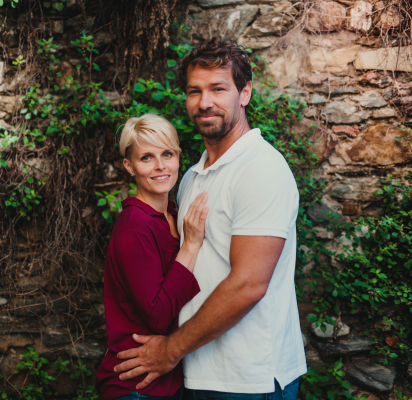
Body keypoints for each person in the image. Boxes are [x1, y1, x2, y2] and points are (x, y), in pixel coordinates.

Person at [113, 37, 307, 400]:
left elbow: (248, 284)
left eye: (218, 88)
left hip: (249, 379)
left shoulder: (261, 168)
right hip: (197, 371)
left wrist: (170, 350)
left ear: (244, 93)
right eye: (194, 91)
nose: (204, 102)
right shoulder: (190, 177)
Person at [96, 113, 210, 400]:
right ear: (129, 166)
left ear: (178, 157)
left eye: (167, 154)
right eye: (146, 158)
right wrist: (191, 245)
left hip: (165, 382)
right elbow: (158, 316)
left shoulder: (172, 213)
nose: (161, 166)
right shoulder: (135, 225)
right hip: (133, 386)